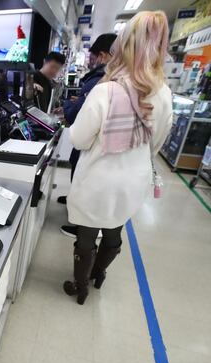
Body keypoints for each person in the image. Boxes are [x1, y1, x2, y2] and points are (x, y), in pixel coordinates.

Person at [62, 11, 173, 305]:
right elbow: (157, 142)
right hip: (135, 179)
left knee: (87, 235)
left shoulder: (106, 90)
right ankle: (99, 274)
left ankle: (80, 285)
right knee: (114, 229)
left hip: (99, 178)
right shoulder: (163, 93)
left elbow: (78, 138)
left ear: (122, 48)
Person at [58, 33, 118, 238]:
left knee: (85, 182)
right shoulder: (118, 81)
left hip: (91, 145)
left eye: (92, 56)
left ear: (103, 55)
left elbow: (76, 116)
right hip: (106, 150)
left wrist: (69, 105)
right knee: (81, 178)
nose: (90, 61)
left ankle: (81, 227)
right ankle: (76, 208)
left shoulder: (100, 82)